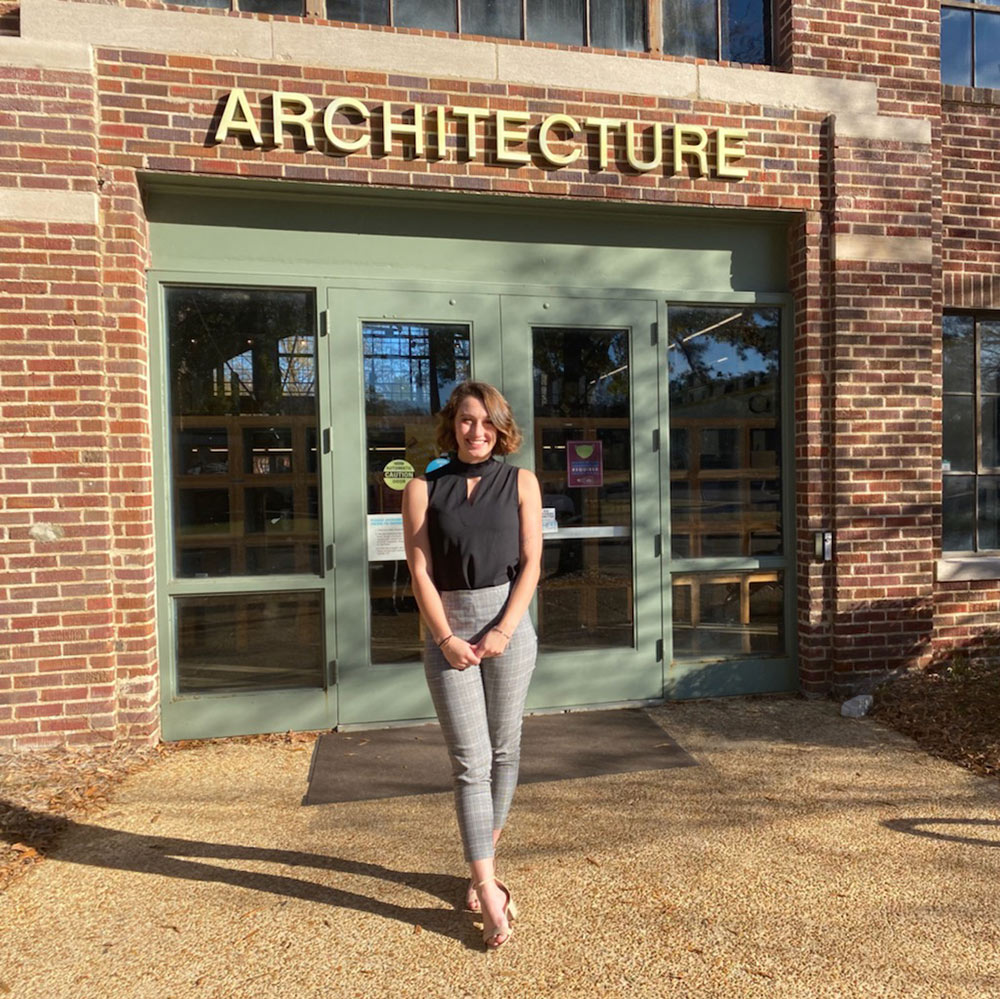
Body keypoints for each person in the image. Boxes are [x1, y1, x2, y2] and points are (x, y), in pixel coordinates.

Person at [402, 380, 542, 950]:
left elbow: (533, 562)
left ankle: (484, 852)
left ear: (500, 427)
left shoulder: (522, 481)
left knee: (505, 748)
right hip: (448, 629)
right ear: (451, 424)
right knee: (470, 759)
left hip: (509, 623)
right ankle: (488, 888)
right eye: (466, 420)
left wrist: (505, 629)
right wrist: (444, 638)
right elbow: (419, 572)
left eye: (486, 421)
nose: (476, 431)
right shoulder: (421, 487)